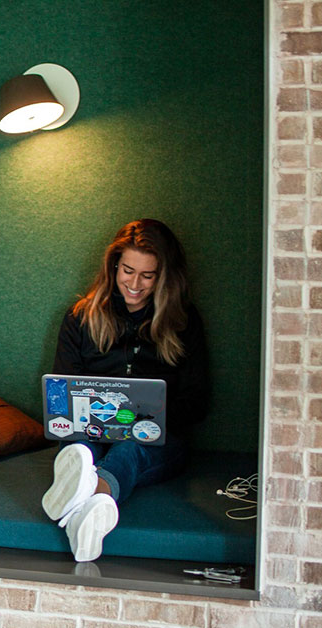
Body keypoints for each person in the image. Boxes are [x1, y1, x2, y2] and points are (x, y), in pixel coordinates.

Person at [41, 218, 209, 562]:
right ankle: (85, 512)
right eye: (128, 271)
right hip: (89, 434)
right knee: (80, 451)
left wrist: (149, 418)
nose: (135, 284)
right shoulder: (80, 318)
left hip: (157, 441)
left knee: (130, 450)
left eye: (148, 276)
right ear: (114, 266)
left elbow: (198, 400)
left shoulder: (183, 322)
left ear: (164, 277)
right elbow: (61, 395)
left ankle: (84, 494)